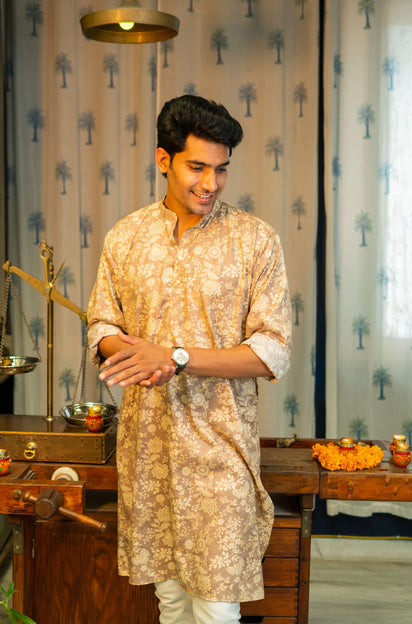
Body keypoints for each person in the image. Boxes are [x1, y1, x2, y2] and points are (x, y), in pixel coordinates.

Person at [87, 94, 292, 624]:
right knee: (172, 602)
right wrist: (131, 354)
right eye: (197, 167)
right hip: (147, 451)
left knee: (216, 608)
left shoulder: (254, 241)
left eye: (221, 169)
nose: (211, 184)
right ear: (164, 160)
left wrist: (174, 357)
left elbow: (271, 351)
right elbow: (103, 325)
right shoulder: (126, 237)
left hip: (219, 449)